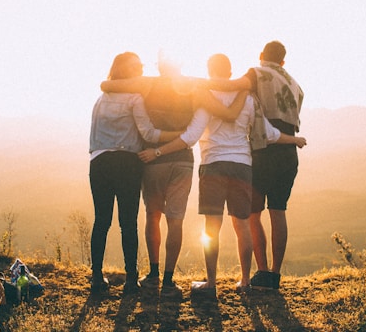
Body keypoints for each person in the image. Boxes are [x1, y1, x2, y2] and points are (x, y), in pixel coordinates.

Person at [138, 54, 306, 297]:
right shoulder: (248, 98)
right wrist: (294, 140)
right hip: (242, 166)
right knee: (243, 225)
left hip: (213, 165)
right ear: (230, 73)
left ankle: (211, 283)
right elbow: (268, 133)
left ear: (209, 70)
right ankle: (246, 281)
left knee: (212, 227)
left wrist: (158, 151)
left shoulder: (206, 97)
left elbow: (191, 136)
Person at [100, 53, 247, 298]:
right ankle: (168, 281)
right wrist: (244, 88)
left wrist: (106, 84)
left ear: (159, 66)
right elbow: (226, 100)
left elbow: (108, 85)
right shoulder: (194, 86)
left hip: (153, 159)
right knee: (175, 220)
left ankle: (153, 274)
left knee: (152, 215)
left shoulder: (148, 83)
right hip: (183, 161)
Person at [200, 41, 305, 290]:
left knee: (253, 214)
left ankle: (261, 272)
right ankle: (274, 276)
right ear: (283, 61)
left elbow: (230, 86)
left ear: (261, 56)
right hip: (287, 152)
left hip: (263, 151)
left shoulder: (256, 73)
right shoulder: (294, 84)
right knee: (279, 211)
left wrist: (195, 84)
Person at [89, 52, 181, 295]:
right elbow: (149, 134)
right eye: (137, 66)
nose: (141, 69)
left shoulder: (101, 98)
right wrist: (179, 135)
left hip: (99, 162)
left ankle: (97, 278)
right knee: (128, 223)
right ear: (127, 71)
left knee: (101, 221)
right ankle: (131, 280)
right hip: (127, 163)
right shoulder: (135, 97)